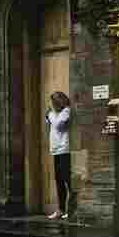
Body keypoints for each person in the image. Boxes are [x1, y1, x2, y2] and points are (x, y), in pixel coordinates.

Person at [46, 91, 72, 220]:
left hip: (64, 150)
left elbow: (57, 125)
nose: (50, 105)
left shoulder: (66, 111)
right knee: (59, 181)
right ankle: (61, 209)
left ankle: (71, 209)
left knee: (67, 179)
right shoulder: (55, 114)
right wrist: (51, 115)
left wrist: (50, 114)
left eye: (52, 103)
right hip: (56, 150)